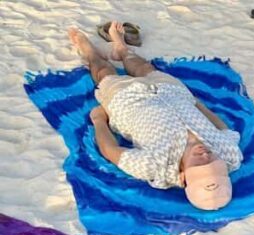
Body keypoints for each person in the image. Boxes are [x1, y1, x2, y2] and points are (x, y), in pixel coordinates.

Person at [68, 23, 243, 210]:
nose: (205, 156)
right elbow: (222, 126)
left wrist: (99, 121)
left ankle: (90, 53)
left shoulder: (154, 167)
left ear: (183, 177)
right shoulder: (229, 155)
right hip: (173, 93)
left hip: (127, 101)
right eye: (213, 161)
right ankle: (121, 49)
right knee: (143, 67)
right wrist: (197, 103)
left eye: (200, 164)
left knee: (104, 73)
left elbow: (110, 150)